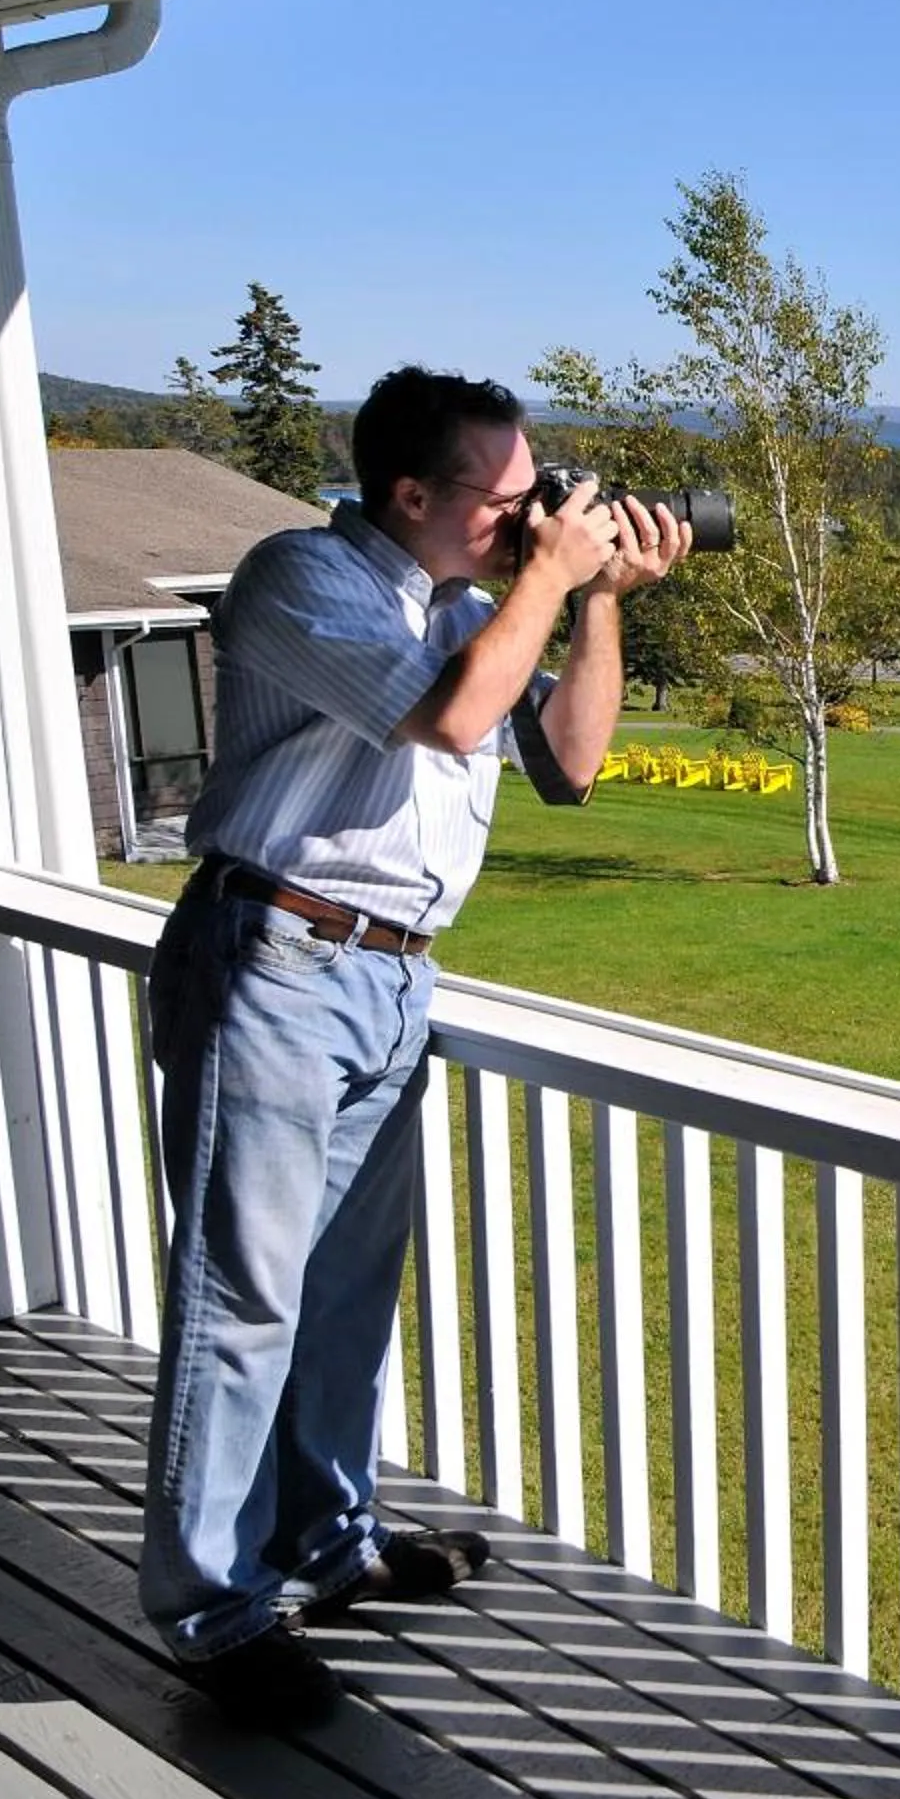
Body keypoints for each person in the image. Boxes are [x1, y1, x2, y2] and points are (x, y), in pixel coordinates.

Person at [138, 367, 686, 1726]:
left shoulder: (468, 609)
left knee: (344, 1297)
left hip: (390, 983)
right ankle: (211, 1611)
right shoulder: (300, 579)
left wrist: (599, 598)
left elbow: (569, 763)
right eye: (512, 498)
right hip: (275, 959)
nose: (539, 515)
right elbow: (446, 716)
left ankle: (328, 1544)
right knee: (244, 1301)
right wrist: (547, 584)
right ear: (411, 495)